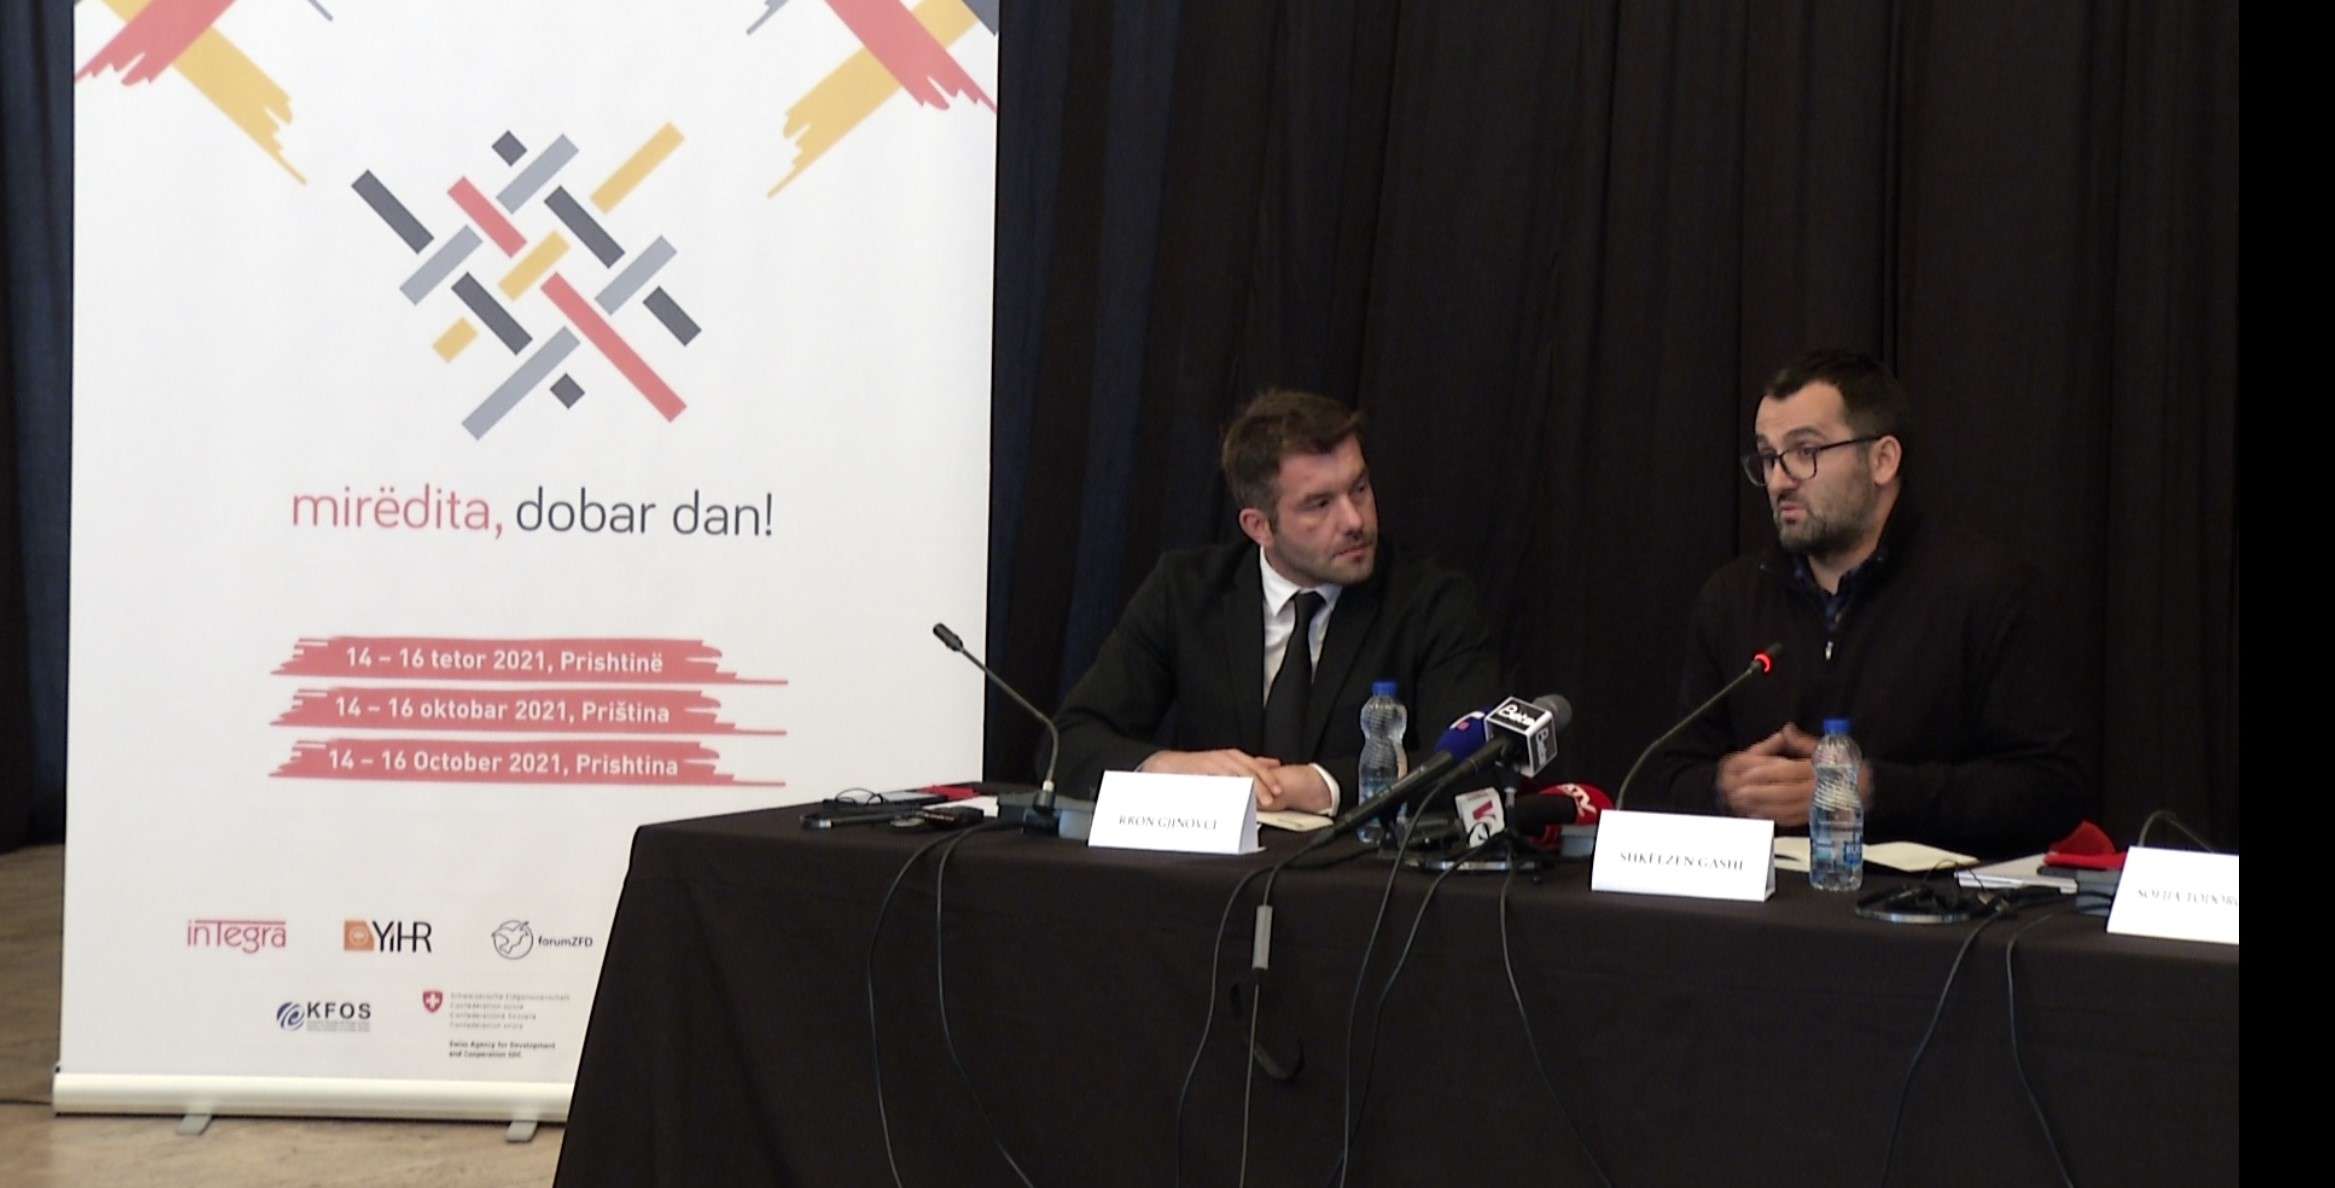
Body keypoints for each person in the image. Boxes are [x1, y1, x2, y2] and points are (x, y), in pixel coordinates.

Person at [1635, 349, 2085, 858]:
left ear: (1882, 460)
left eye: (1805, 451)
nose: (1779, 480)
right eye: (1768, 457)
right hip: (1769, 900)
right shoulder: (1731, 597)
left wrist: (1870, 791)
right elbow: (1666, 775)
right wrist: (1723, 787)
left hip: (1935, 902)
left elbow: (2052, 789)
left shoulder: (1988, 590)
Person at [1053, 388, 1501, 813]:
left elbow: (1473, 762)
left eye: (1359, 488)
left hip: (1358, 862)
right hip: (1207, 862)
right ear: (1259, 527)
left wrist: (1318, 785)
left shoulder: (1431, 602)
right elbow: (1068, 744)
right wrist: (1168, 769)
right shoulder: (1186, 592)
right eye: (1319, 504)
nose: (1354, 520)